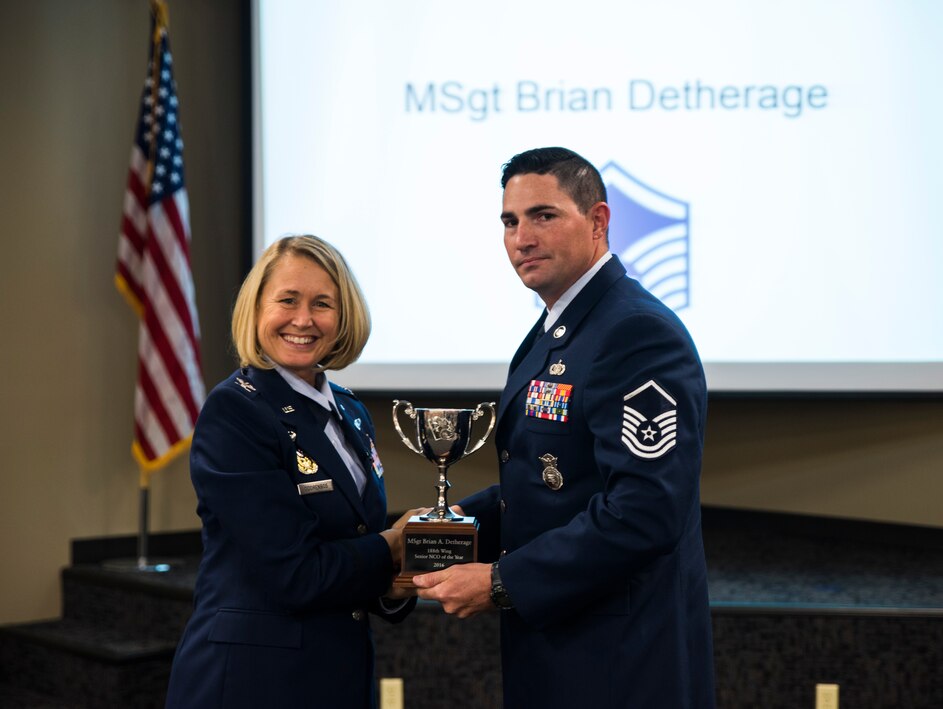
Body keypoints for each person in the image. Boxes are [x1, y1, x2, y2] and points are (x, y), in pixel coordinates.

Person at [414, 148, 716, 707]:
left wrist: (502, 582)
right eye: (510, 221)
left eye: (543, 216)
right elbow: (552, 482)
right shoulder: (559, 329)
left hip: (619, 660)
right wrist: (445, 525)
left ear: (598, 221)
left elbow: (645, 511)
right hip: (562, 646)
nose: (521, 237)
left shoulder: (635, 332)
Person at [165, 235, 423, 709]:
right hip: (253, 682)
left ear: (343, 317)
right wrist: (393, 544)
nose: (303, 320)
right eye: (287, 300)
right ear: (257, 308)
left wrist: (401, 578)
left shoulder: (348, 410)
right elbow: (296, 573)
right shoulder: (234, 412)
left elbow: (352, 538)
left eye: (322, 304)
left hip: (335, 674)